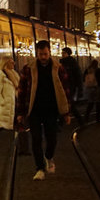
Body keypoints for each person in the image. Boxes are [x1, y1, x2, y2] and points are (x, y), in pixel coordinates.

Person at [16, 40, 72, 180]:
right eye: (40, 54)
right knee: (35, 139)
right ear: (37, 53)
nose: (43, 57)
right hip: (34, 109)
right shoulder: (28, 68)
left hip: (52, 109)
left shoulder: (58, 68)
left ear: (49, 53)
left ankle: (48, 156)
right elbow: (21, 91)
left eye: (45, 54)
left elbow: (65, 91)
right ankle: (39, 168)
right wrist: (20, 112)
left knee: (52, 138)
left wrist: (66, 112)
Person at [81, 59, 100, 125]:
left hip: (89, 88)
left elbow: (83, 78)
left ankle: (86, 117)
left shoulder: (87, 70)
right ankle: (98, 118)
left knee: (90, 103)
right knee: (98, 103)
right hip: (97, 88)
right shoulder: (98, 70)